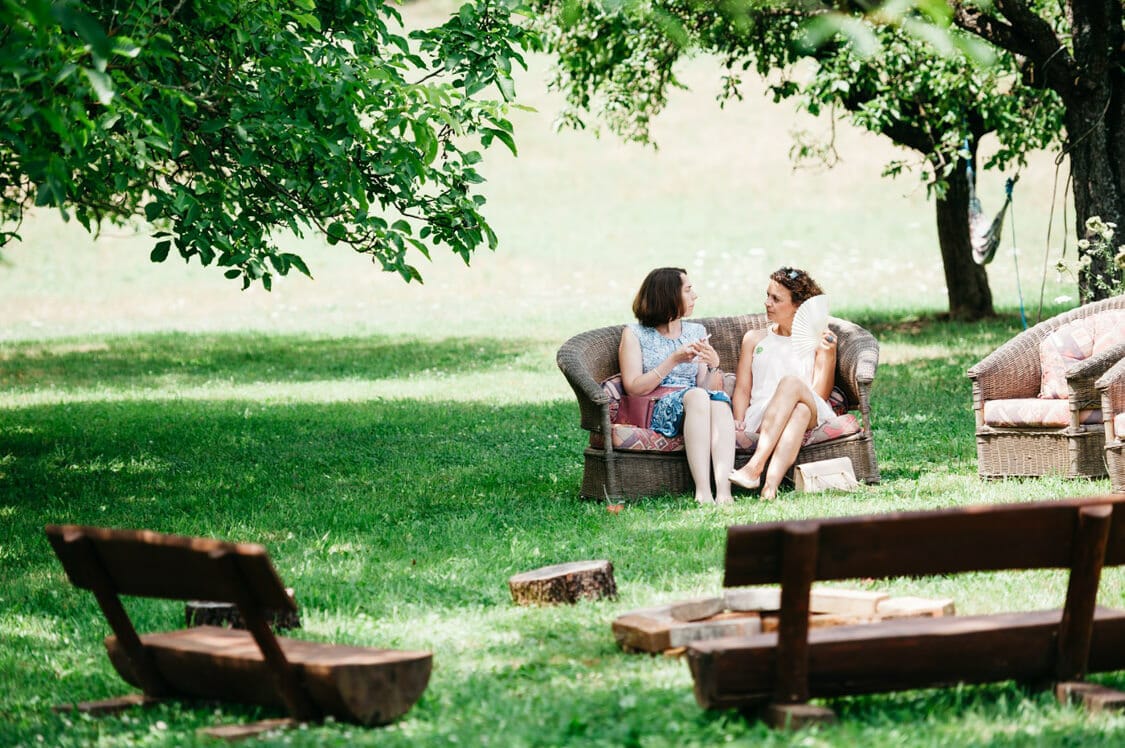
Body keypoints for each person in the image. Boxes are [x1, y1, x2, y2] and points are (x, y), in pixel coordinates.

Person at [619, 267, 735, 504]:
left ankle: (724, 492)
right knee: (697, 396)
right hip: (655, 405)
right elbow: (633, 388)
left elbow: (704, 386)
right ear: (668, 295)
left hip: (695, 405)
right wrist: (673, 360)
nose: (695, 296)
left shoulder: (696, 331)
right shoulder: (634, 334)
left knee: (719, 402)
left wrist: (713, 366)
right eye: (688, 290)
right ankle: (703, 491)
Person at [728, 267, 837, 500]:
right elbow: (743, 388)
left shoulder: (818, 340)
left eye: (776, 299)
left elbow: (819, 394)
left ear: (798, 306)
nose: (767, 303)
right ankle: (770, 488)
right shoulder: (754, 339)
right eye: (767, 295)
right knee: (799, 410)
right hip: (764, 415)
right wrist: (738, 419)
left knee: (793, 388)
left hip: (813, 411)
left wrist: (829, 355)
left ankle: (754, 466)